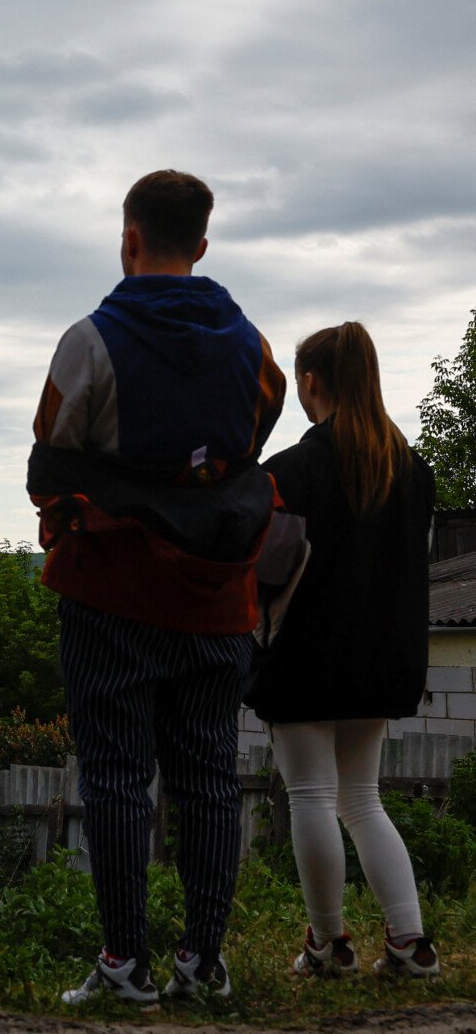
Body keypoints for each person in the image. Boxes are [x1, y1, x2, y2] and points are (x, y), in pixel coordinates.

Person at [28, 169, 285, 1006]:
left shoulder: (90, 340)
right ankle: (203, 961)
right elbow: (255, 431)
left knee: (114, 777)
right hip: (217, 596)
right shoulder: (252, 344)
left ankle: (125, 964)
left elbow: (50, 455)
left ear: (129, 238)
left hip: (114, 593)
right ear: (203, 245)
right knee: (210, 775)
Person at [247, 323, 440, 979]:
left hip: (304, 660)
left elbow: (270, 573)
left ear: (310, 384)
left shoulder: (293, 472)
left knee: (309, 796)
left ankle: (329, 945)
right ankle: (410, 941)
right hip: (383, 663)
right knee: (362, 800)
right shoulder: (411, 471)